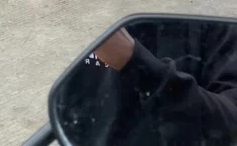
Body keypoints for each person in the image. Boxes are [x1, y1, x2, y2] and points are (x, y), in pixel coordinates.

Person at [57, 19, 237, 145]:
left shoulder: (213, 21)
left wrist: (135, 63)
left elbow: (229, 126)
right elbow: (69, 106)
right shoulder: (89, 10)